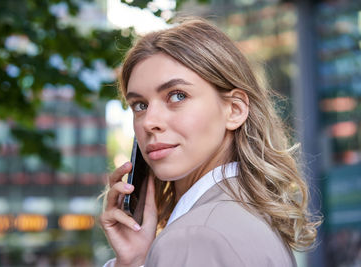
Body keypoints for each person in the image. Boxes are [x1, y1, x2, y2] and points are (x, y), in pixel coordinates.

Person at [99, 18, 320, 267]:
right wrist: (134, 261)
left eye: (177, 96)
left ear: (234, 110)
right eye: (140, 105)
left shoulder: (196, 235)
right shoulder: (243, 219)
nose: (149, 122)